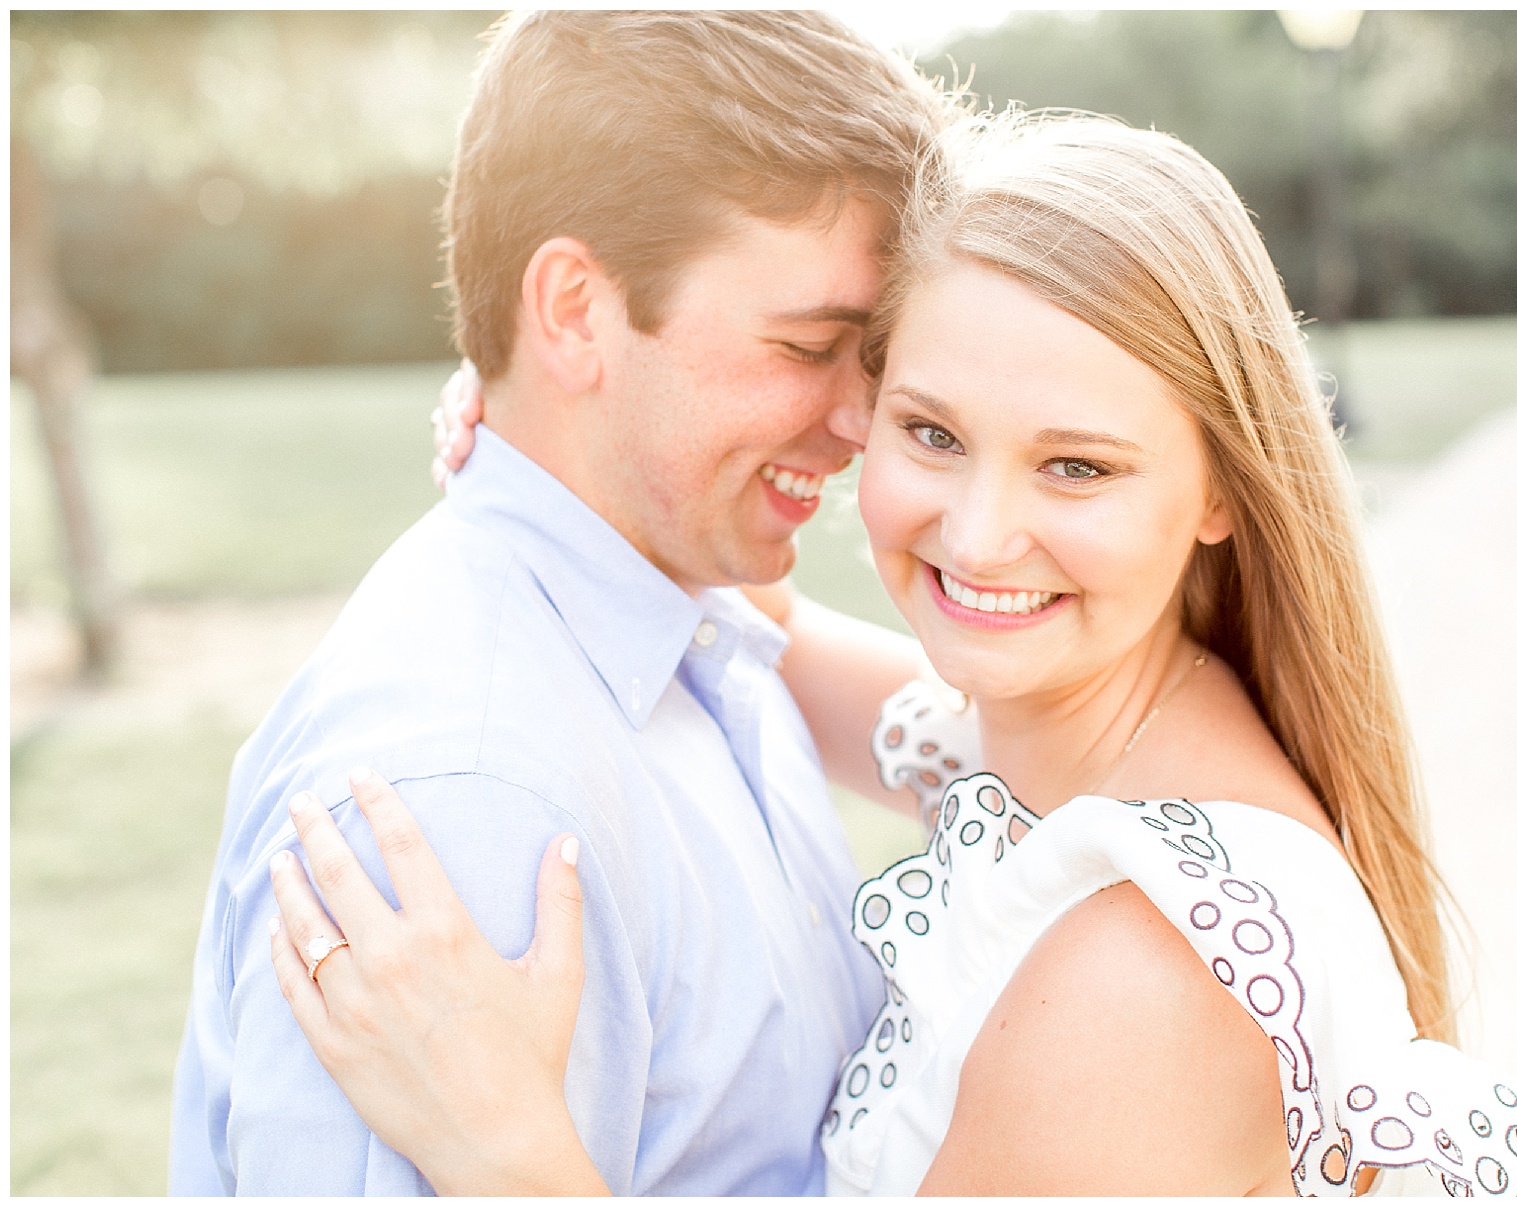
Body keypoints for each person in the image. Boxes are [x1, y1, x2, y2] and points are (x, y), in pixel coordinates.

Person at [266, 111, 1517, 1196]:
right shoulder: (1065, 733)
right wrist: (553, 443)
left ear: (1223, 492)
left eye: (1078, 464)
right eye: (933, 434)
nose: (980, 533)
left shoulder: (1134, 972)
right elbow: (773, 635)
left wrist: (509, 1146)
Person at [168, 11, 949, 1195]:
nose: (860, 422)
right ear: (577, 308)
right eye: (807, 347)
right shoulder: (470, 802)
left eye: (877, 357)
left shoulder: (705, 628)